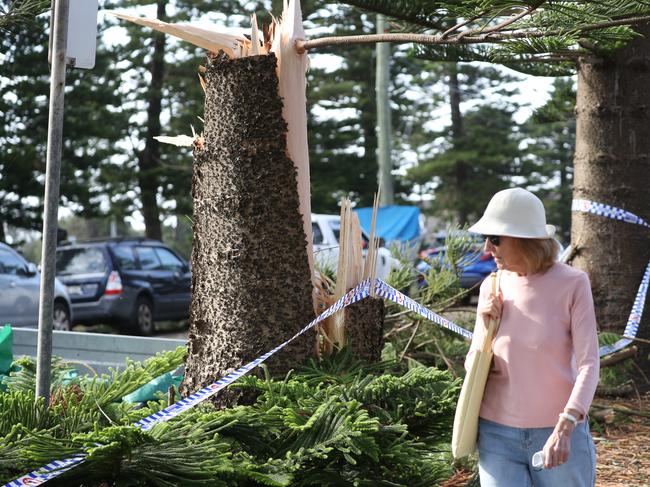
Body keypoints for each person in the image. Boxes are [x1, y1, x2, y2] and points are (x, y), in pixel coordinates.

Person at [466, 187, 599, 487]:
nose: (487, 247)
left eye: (496, 238)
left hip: (559, 432)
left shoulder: (573, 283)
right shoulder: (492, 285)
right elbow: (472, 367)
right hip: (496, 436)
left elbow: (590, 364)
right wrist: (485, 323)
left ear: (524, 238)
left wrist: (566, 424)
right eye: (486, 238)